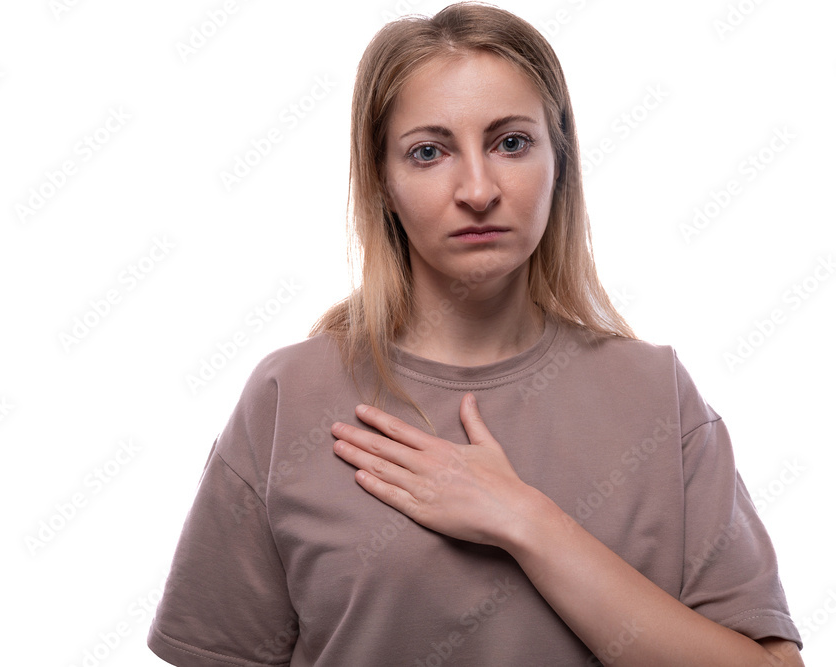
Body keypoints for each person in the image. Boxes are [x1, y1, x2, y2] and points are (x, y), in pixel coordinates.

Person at [147, 2, 804, 664]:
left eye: (510, 142)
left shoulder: (656, 394)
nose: (479, 188)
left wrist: (527, 521)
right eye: (429, 152)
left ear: (561, 161)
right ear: (382, 184)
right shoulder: (289, 395)